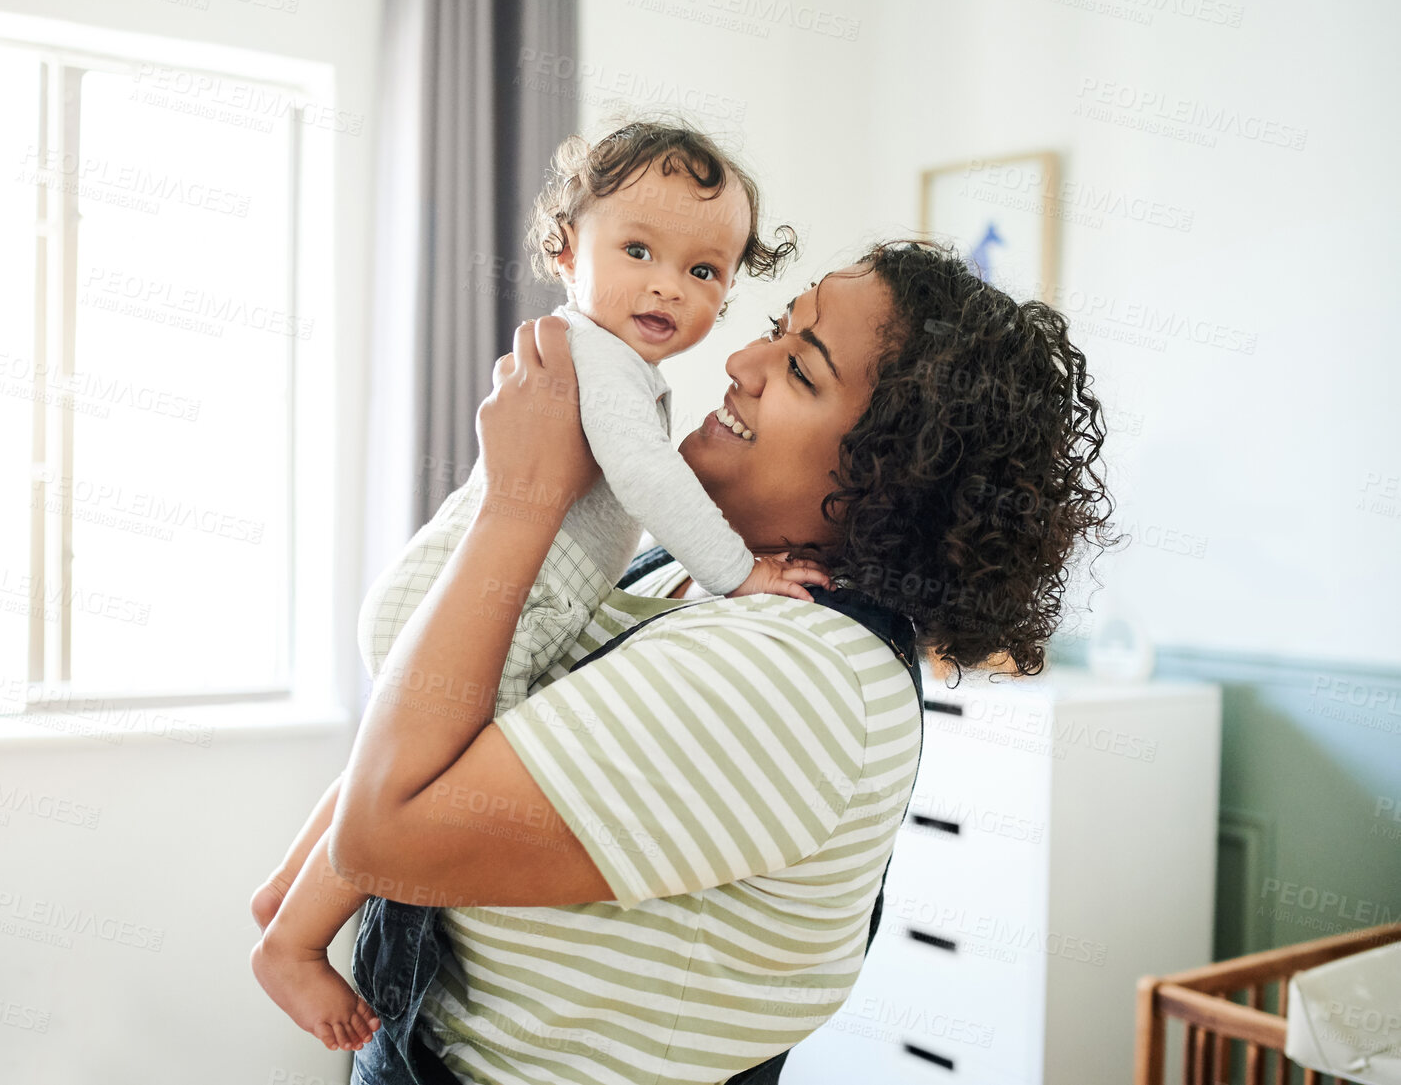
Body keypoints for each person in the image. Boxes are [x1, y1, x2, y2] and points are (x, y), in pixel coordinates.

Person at [316, 240, 1117, 1084]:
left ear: (894, 480)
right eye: (776, 326)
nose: (738, 360)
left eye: (801, 369)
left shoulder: (798, 674)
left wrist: (521, 500)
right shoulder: (681, 571)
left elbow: (379, 840)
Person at [250, 121, 824, 1050]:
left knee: (384, 763)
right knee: (415, 785)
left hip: (481, 596)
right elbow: (644, 479)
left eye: (705, 270)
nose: (668, 285)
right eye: (637, 250)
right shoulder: (593, 358)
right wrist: (740, 572)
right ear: (565, 253)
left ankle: (287, 888)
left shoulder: (617, 366)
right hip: (488, 605)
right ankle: (293, 941)